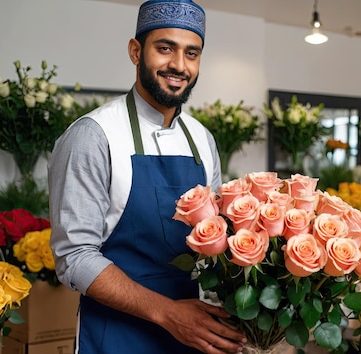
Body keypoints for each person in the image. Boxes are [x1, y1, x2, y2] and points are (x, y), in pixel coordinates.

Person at [48, 1, 247, 353]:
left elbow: (215, 240)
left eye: (192, 53)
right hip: (117, 335)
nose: (179, 65)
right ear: (136, 51)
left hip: (196, 335)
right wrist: (169, 314)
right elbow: (74, 257)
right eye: (165, 48)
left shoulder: (202, 138)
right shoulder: (93, 135)